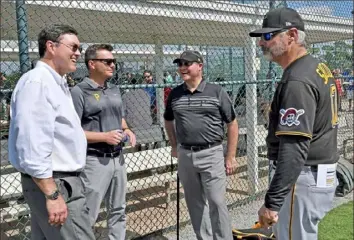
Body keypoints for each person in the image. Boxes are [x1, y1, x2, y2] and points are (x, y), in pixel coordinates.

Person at [249, 7, 339, 240]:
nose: (262, 43)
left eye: (268, 36)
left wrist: (272, 203)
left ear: (291, 36)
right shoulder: (316, 66)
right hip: (318, 174)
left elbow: (295, 147)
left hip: (304, 177)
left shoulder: (297, 79)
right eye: (261, 37)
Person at [8, 24, 95, 240]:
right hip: (55, 183)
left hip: (57, 181)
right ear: (51, 47)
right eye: (73, 47)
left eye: (79, 48)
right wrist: (52, 194)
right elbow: (31, 143)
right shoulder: (38, 82)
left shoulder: (56, 83)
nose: (78, 53)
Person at [164, 50, 238, 240]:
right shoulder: (175, 94)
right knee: (195, 203)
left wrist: (230, 156)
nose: (182, 68)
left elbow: (232, 123)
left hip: (212, 153)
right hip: (186, 155)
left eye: (187, 64)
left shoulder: (216, 91)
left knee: (217, 201)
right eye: (180, 64)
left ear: (200, 66)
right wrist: (174, 146)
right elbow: (168, 121)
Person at [70, 44, 136, 240]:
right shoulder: (79, 91)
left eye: (113, 61)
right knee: (88, 213)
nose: (112, 65)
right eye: (107, 61)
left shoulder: (114, 89)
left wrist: (127, 129)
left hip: (118, 158)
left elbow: (119, 117)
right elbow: (72, 132)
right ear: (92, 64)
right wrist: (104, 137)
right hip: (94, 161)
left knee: (118, 209)